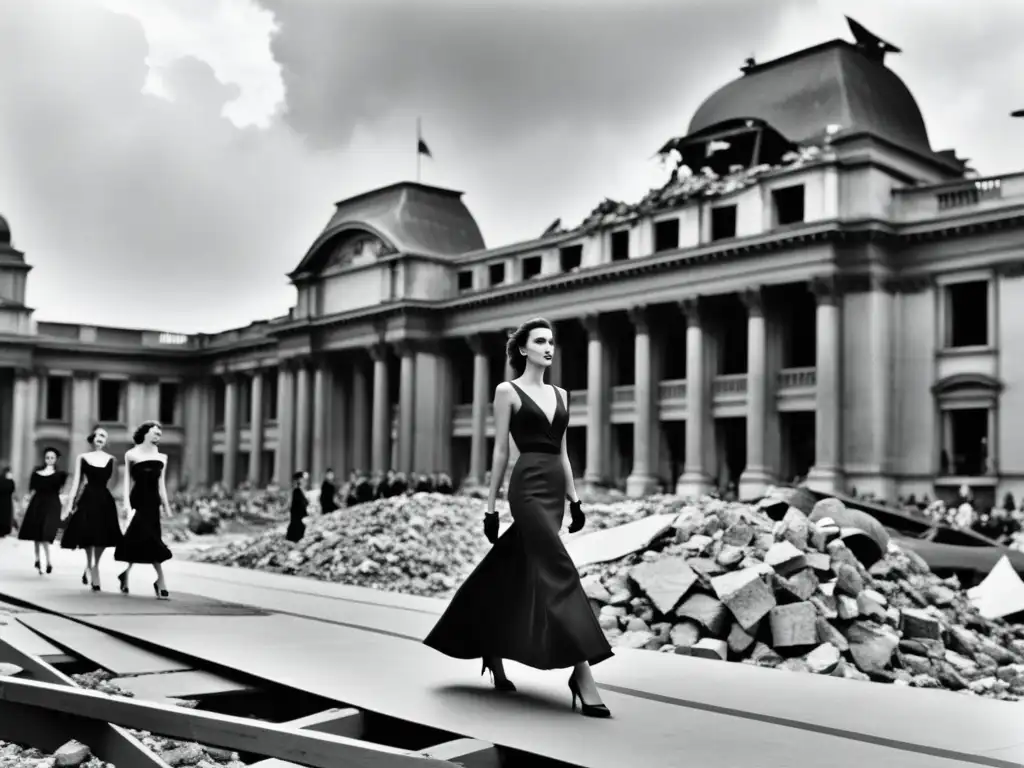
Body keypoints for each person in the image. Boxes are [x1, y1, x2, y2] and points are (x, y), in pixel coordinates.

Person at [423, 317, 613, 718]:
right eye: (540, 341)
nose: (549, 347)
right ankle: (582, 674)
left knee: (513, 566)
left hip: (552, 490)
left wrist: (575, 500)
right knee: (559, 570)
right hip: (525, 487)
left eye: (552, 342)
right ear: (523, 349)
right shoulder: (506, 391)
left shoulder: (562, 394)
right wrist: (490, 506)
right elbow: (500, 452)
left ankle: (490, 648)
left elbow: (562, 453)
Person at [114, 421, 172, 599]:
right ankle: (160, 581)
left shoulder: (162, 457)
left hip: (153, 503)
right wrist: (125, 505)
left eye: (159, 434)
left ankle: (127, 575)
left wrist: (167, 507)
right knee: (148, 540)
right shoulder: (131, 454)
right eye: (155, 432)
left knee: (144, 540)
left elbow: (161, 485)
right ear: (145, 433)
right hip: (138, 502)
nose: (157, 436)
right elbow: (126, 483)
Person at [61, 426, 123, 591]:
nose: (101, 438)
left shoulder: (111, 459)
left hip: (104, 500)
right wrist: (69, 504)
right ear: (93, 438)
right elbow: (77, 482)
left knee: (102, 536)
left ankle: (95, 566)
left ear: (106, 441)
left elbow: (116, 481)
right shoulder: (83, 457)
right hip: (88, 498)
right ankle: (90, 566)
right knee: (88, 535)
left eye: (104, 435)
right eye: (98, 434)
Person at [18, 447, 68, 574]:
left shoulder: (60, 475)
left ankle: (48, 561)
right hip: (37, 504)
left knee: (45, 534)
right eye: (47, 457)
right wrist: (25, 503)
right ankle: (38, 559)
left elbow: (62, 490)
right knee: (37, 534)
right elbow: (31, 490)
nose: (49, 460)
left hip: (51, 505)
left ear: (56, 459)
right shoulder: (36, 473)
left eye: (52, 458)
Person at [286, 470, 309, 542]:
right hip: (297, 523)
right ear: (299, 480)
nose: (305, 481)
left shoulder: (302, 491)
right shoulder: (296, 492)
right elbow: (298, 507)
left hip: (301, 522)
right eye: (303, 479)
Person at [0, 466, 15, 537]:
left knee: (6, 516)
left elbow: (12, 489)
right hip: (3, 501)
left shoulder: (10, 481)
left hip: (7, 501)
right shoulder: (3, 480)